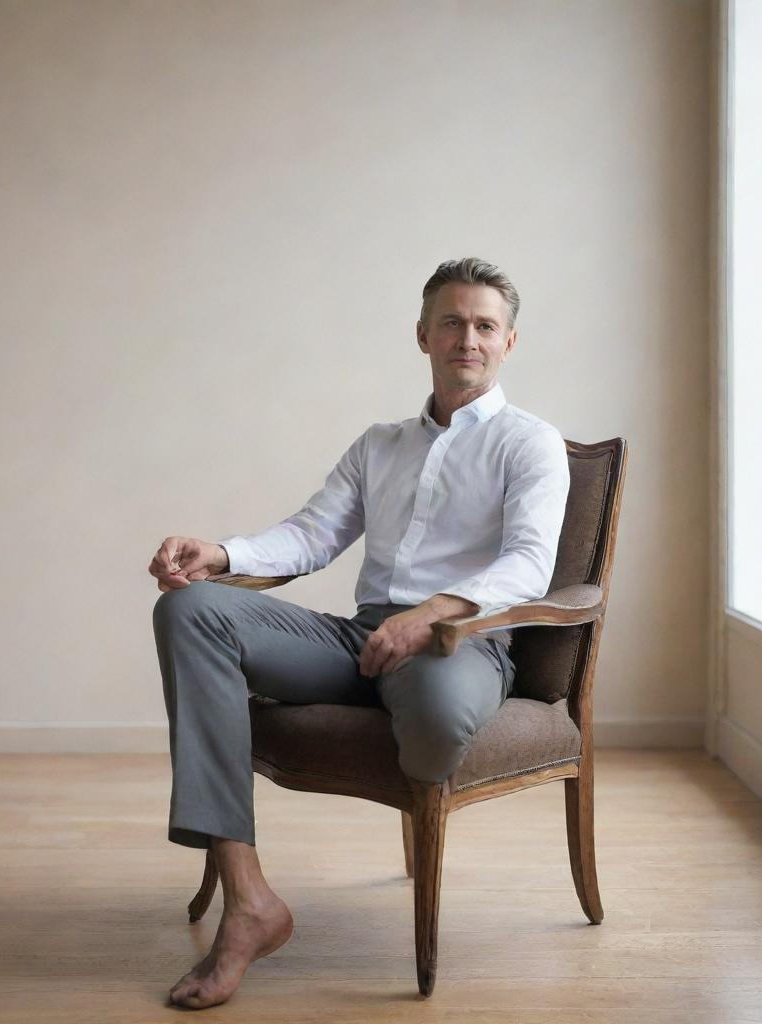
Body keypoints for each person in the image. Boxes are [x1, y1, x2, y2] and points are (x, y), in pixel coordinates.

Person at [148, 256, 570, 1009]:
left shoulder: (529, 443)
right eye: (451, 322)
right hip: (359, 644)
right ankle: (247, 900)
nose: (466, 338)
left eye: (484, 325)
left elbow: (530, 565)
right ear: (422, 336)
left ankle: (414, 710)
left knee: (436, 716)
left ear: (509, 342)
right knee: (190, 608)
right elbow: (313, 535)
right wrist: (222, 554)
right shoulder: (380, 444)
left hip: (462, 642)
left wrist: (432, 613)